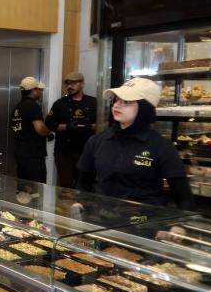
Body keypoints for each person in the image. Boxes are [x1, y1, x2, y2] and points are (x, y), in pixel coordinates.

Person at [76, 77, 194, 208]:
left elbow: (184, 198)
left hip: (144, 218)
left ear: (144, 108)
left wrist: (180, 222)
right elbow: (83, 183)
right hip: (101, 216)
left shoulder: (161, 146)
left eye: (126, 102)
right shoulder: (96, 141)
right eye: (117, 100)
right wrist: (81, 205)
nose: (117, 105)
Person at [44, 71, 98, 188]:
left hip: (86, 152)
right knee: (65, 187)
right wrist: (67, 127)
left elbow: (103, 123)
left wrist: (91, 127)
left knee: (85, 186)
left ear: (82, 84)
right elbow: (49, 123)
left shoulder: (93, 102)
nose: (69, 86)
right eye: (67, 83)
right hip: (64, 152)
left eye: (73, 83)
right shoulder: (60, 104)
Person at [11, 77, 54, 185]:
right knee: (36, 187)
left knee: (23, 186)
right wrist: (49, 133)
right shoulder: (33, 106)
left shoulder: (17, 107)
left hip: (20, 153)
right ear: (33, 90)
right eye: (39, 89)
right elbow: (40, 128)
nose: (41, 92)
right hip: (33, 155)